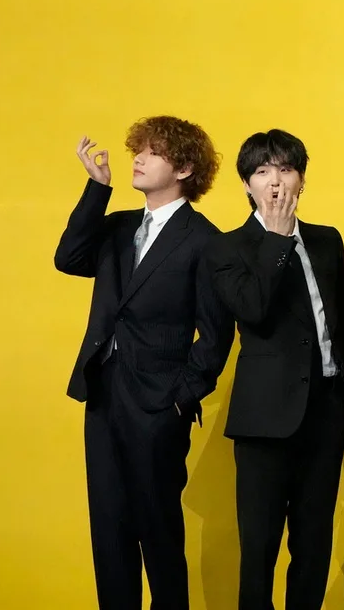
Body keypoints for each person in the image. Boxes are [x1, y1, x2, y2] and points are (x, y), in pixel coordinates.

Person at [54, 117, 233, 610]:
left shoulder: (205, 240)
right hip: (103, 393)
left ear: (184, 168)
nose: (138, 157)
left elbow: (216, 335)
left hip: (159, 405)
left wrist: (180, 399)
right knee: (109, 532)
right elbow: (68, 258)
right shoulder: (118, 226)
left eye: (153, 152)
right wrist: (97, 188)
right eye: (139, 148)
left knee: (158, 533)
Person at [205, 129, 344, 610]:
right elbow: (253, 310)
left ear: (302, 179)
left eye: (285, 169)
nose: (275, 181)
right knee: (259, 550)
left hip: (324, 411)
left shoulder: (325, 240)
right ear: (246, 185)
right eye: (262, 171)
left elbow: (341, 328)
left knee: (313, 546)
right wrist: (276, 240)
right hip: (264, 419)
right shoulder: (227, 247)